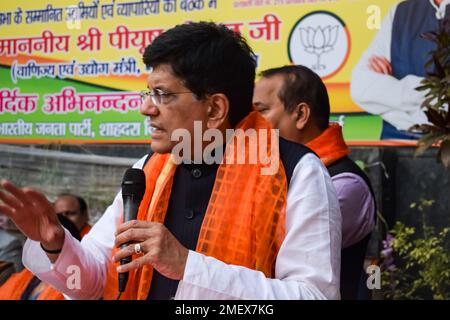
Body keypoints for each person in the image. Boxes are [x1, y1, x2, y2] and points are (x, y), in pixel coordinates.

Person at [0, 22, 341, 300]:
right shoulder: (147, 169)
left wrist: (187, 266)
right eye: (148, 93)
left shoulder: (296, 171)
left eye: (162, 94)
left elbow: (314, 296)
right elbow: (91, 283)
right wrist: (55, 244)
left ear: (215, 108)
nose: (147, 108)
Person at [253, 65, 376, 299]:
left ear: (300, 115)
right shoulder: (272, 171)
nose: (252, 123)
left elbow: (281, 247)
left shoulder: (346, 184)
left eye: (262, 111)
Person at [350, 0, 449, 140]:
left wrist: (391, 97)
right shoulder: (399, 12)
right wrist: (430, 100)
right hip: (396, 144)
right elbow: (360, 87)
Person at [0, 215, 81, 300]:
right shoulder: (31, 276)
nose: (35, 248)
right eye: (32, 241)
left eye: (45, 242)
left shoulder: (76, 286)